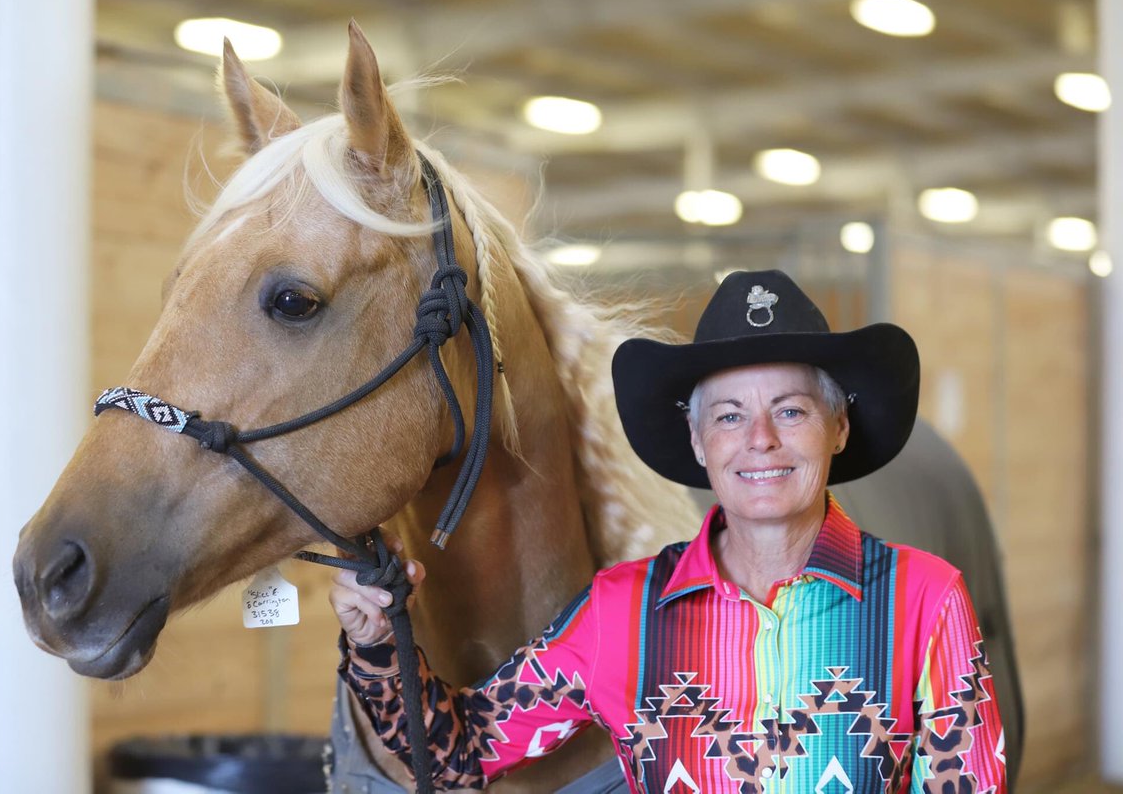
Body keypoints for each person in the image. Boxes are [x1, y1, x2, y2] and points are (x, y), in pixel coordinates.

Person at [330, 269, 1007, 792]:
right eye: (731, 416)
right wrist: (376, 643)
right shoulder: (620, 612)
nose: (761, 441)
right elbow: (460, 754)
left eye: (791, 411)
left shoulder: (924, 598)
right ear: (698, 440)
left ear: (838, 427)